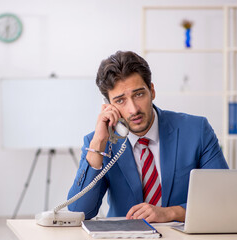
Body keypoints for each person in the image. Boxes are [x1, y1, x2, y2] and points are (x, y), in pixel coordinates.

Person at [67, 51, 228, 223]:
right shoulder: (100, 142)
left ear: (152, 90)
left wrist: (171, 213)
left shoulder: (196, 131)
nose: (134, 109)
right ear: (108, 106)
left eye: (139, 94)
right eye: (120, 100)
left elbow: (224, 198)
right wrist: (98, 144)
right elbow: (79, 212)